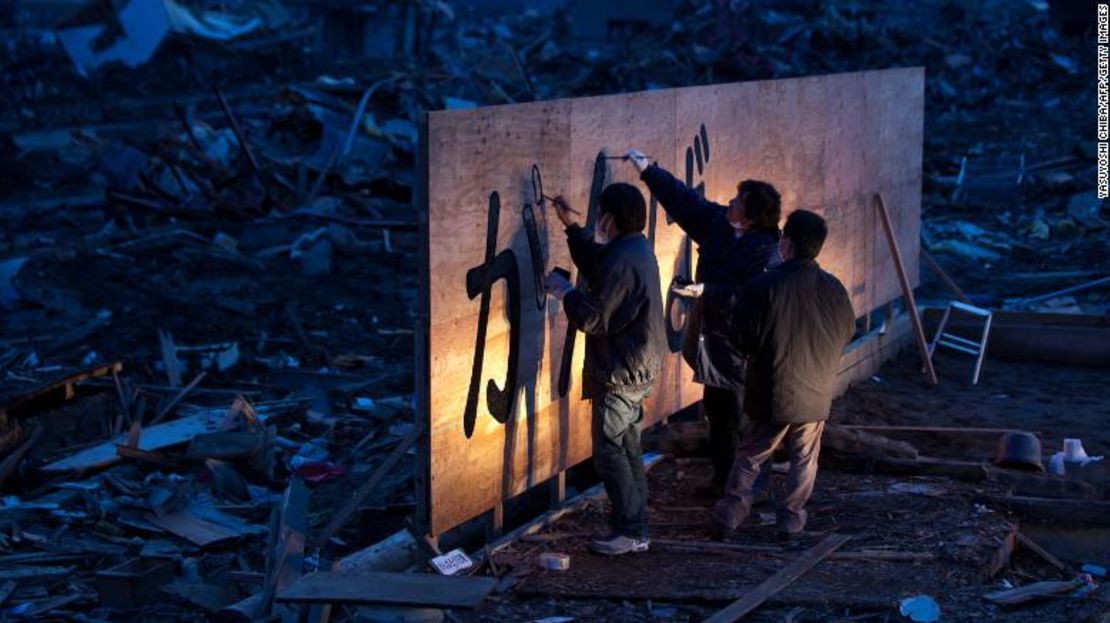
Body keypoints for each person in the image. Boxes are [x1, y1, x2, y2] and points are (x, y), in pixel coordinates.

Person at [625, 149, 782, 495]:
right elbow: (685, 202)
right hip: (714, 344)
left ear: (752, 216)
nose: (730, 201)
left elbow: (750, 295)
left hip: (744, 350)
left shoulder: (766, 251)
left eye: (739, 201)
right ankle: (724, 481)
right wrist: (650, 170)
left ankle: (749, 489)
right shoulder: (720, 227)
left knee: (744, 418)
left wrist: (707, 290)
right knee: (720, 416)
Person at [711, 210, 856, 540]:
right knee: (804, 460)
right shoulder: (834, 287)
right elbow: (848, 330)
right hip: (816, 393)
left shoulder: (762, 286)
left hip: (771, 390)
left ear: (785, 243)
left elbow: (742, 339)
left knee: (751, 455)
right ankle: (790, 522)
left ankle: (729, 516)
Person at [545, 183, 667, 556]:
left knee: (611, 451)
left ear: (609, 218)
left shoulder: (622, 259)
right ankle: (635, 527)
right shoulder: (635, 248)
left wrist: (565, 292)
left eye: (600, 213)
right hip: (638, 366)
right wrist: (570, 226)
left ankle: (631, 529)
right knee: (628, 447)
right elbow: (598, 262)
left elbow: (595, 318)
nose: (597, 219)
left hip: (621, 370)